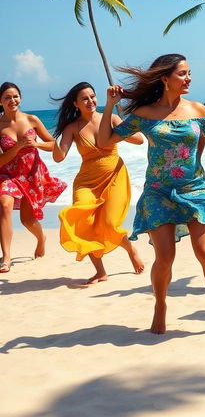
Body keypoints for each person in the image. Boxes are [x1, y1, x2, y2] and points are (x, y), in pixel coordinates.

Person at [98, 53, 205, 336]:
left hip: (195, 189)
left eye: (189, 73)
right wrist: (110, 105)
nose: (188, 78)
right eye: (182, 74)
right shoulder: (144, 114)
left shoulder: (198, 110)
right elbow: (104, 140)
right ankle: (160, 305)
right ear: (165, 78)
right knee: (165, 258)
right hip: (158, 192)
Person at [53, 82, 145, 284]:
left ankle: (130, 249)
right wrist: (53, 144)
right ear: (76, 103)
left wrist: (115, 135)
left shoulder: (110, 118)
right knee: (84, 220)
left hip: (114, 176)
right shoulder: (72, 128)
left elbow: (139, 139)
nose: (90, 101)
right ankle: (100, 271)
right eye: (84, 98)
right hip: (86, 182)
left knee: (110, 224)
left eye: (92, 96)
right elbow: (59, 157)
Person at [0, 82, 66, 272]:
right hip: (8, 174)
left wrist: (35, 145)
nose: (12, 100)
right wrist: (18, 146)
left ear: (20, 97)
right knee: (4, 205)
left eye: (15, 96)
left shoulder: (32, 120)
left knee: (27, 220)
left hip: (31, 174)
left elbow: (53, 144)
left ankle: (41, 238)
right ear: (0, 101)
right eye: (7, 97)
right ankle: (6, 257)